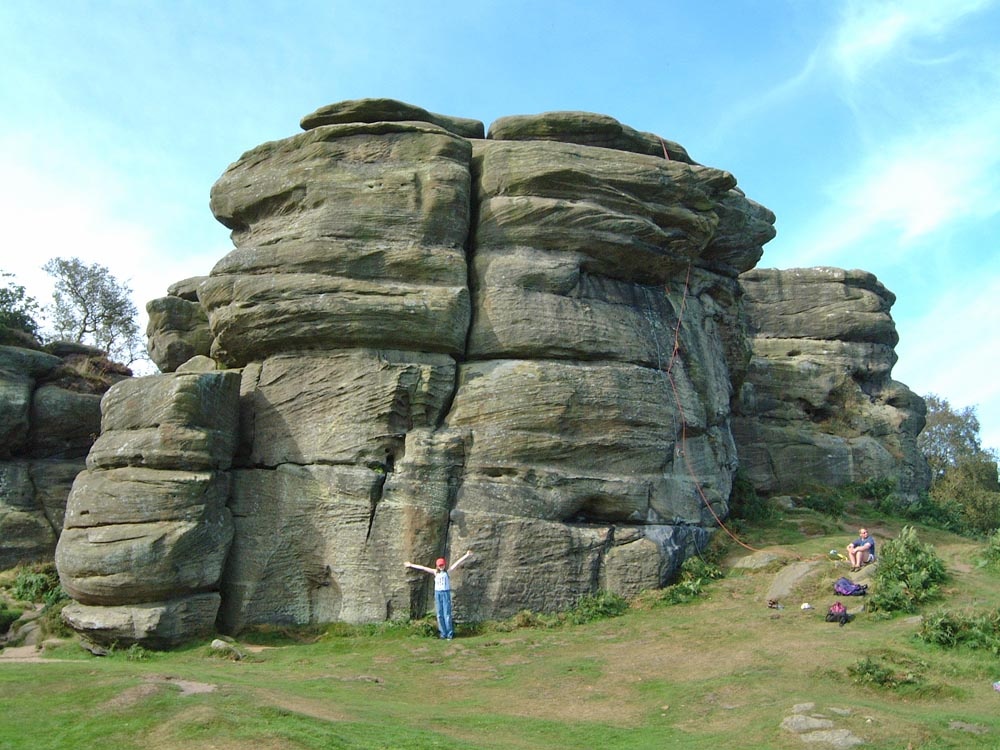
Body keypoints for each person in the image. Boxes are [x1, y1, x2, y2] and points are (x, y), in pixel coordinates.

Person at [404, 550, 473, 639]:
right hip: (438, 594)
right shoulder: (435, 572)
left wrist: (466, 555)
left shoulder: (447, 572)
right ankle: (443, 634)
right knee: (440, 614)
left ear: (444, 565)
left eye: (442, 565)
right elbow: (423, 568)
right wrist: (411, 565)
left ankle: (449, 634)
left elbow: (456, 564)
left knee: (447, 614)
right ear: (437, 566)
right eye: (439, 565)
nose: (441, 566)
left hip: (445, 593)